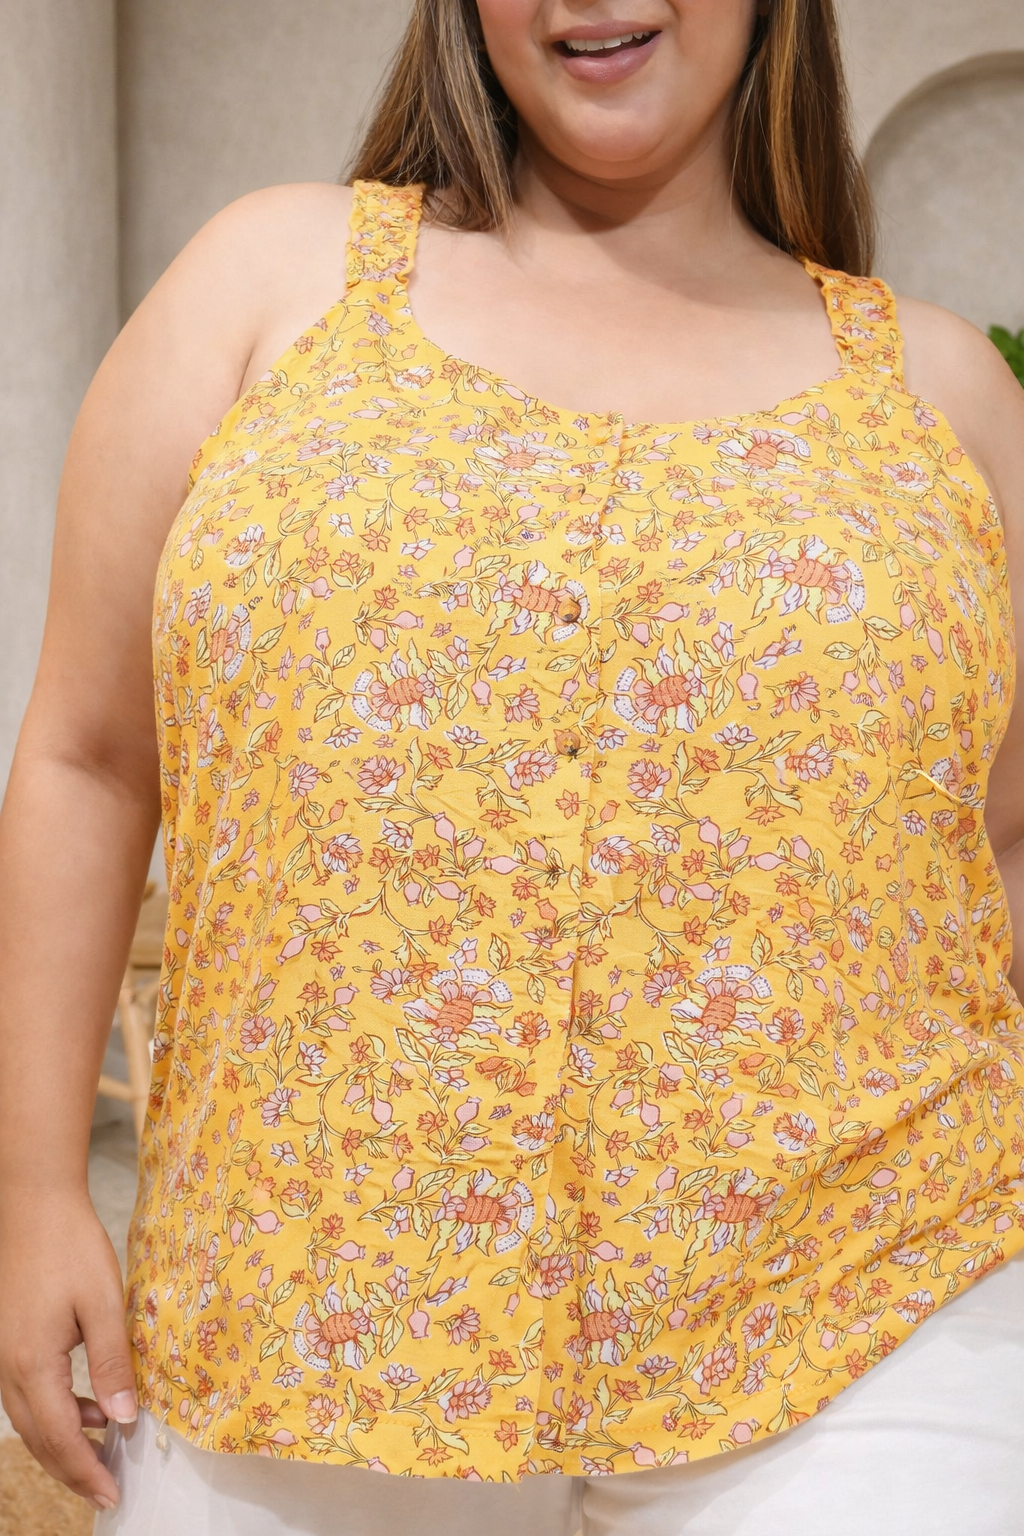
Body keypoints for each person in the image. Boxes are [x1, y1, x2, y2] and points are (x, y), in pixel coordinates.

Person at [1, 0, 1023, 1531]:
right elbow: (88, 759)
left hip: (869, 1299)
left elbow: (1001, 843)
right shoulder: (267, 284)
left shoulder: (945, 400)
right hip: (310, 1293)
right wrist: (28, 1192)